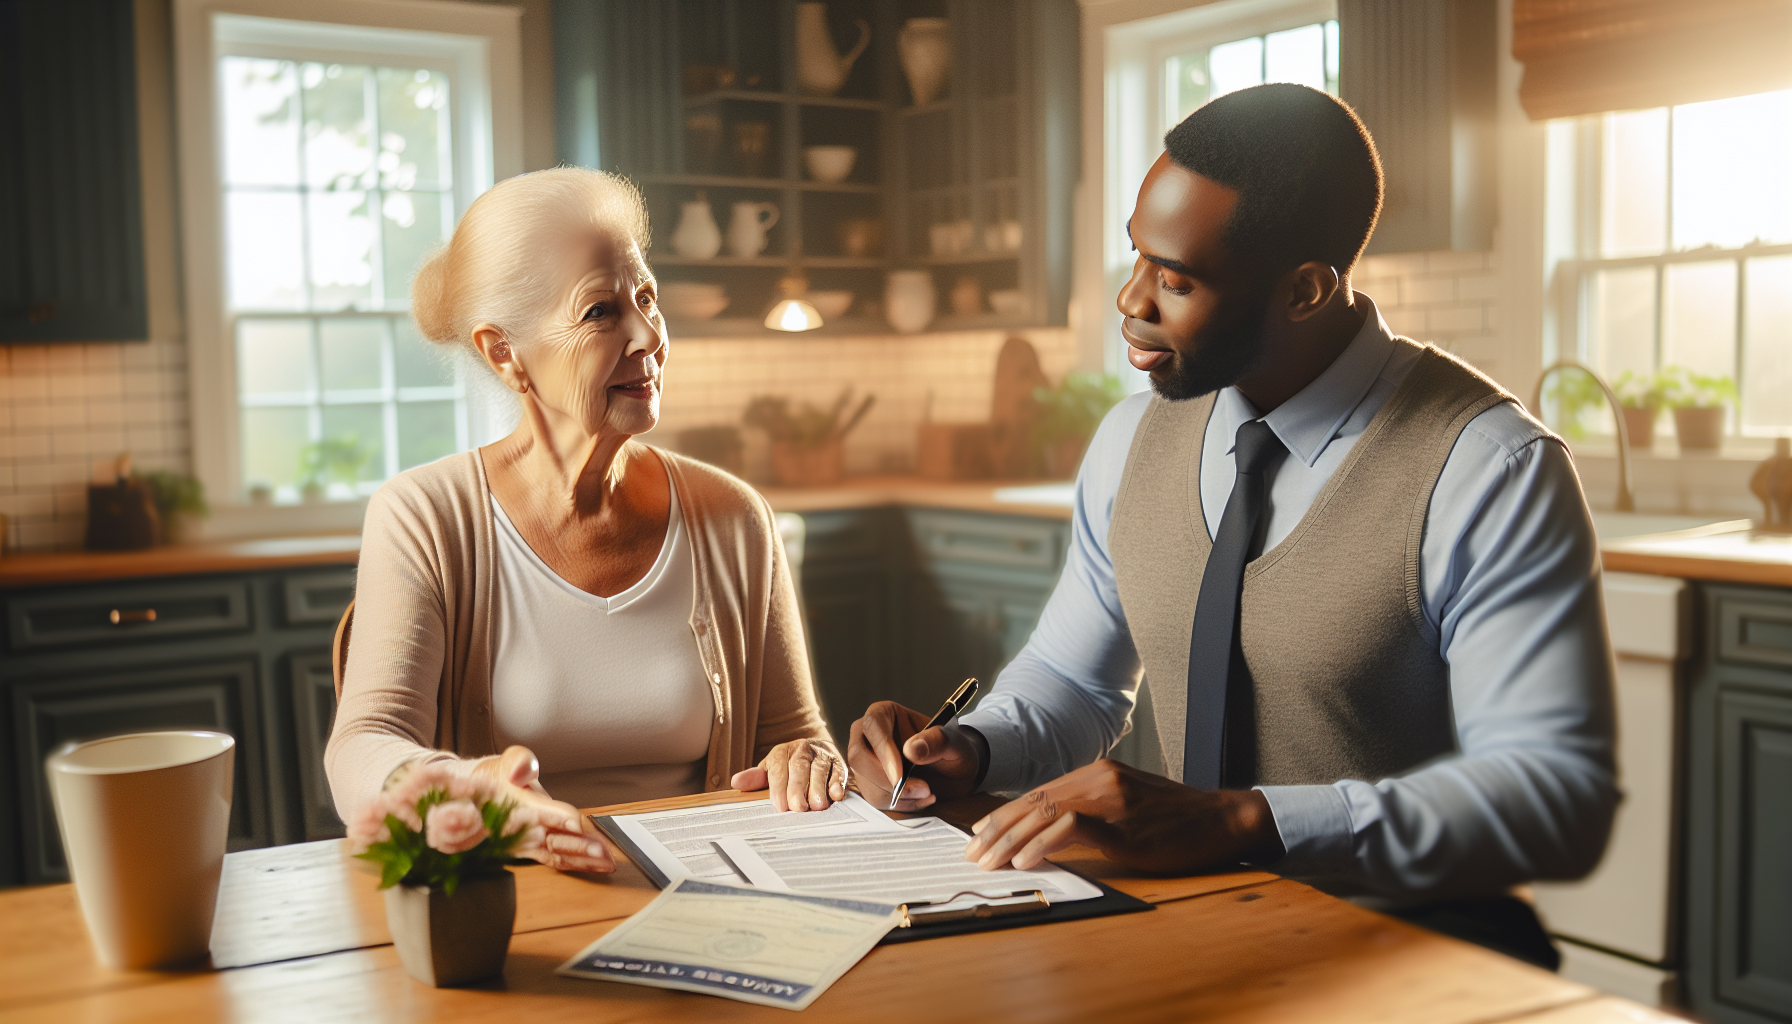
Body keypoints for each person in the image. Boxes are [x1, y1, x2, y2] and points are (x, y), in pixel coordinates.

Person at [848, 84, 1617, 967]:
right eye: (1135, 257)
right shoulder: (1132, 439)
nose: (1131, 300)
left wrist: (1245, 819)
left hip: (1421, 951)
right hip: (1198, 931)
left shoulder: (1488, 470)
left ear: (1303, 290)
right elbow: (1075, 677)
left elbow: (1547, 797)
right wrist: (974, 749)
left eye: (1175, 279)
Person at [327, 167, 845, 875]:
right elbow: (363, 745)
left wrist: (806, 760)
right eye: (601, 312)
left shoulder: (733, 517)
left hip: (710, 897)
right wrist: (466, 789)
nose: (648, 337)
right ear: (504, 354)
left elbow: (796, 735)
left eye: (647, 297)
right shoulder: (423, 516)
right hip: (512, 914)